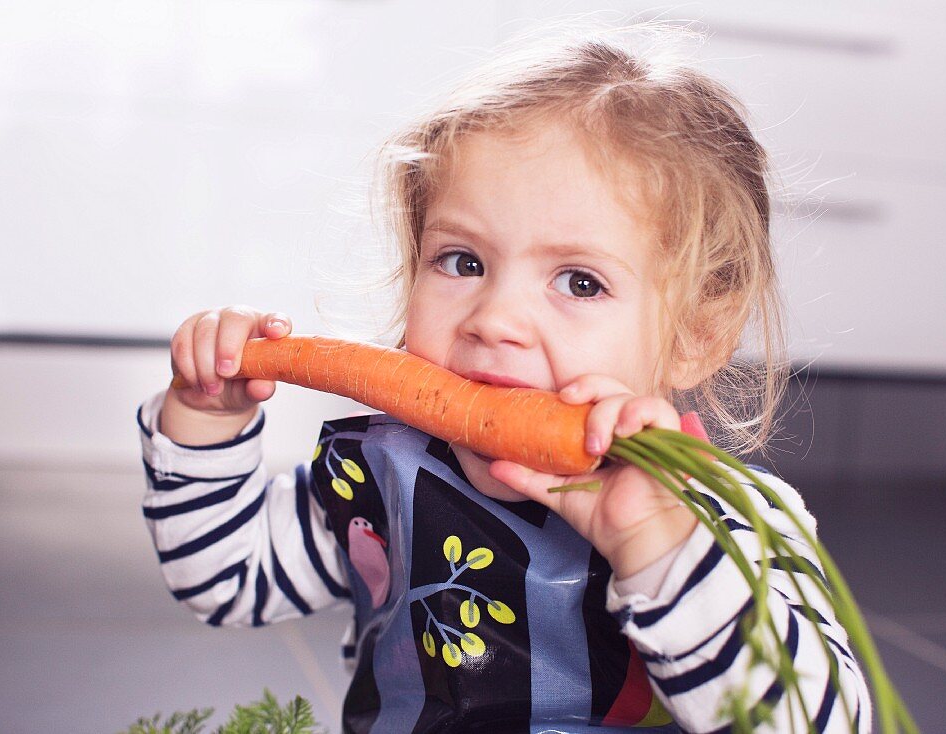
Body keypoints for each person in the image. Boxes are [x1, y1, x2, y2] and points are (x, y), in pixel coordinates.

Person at [137, 24, 871, 733]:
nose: (495, 318)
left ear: (696, 334)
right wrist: (205, 421)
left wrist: (661, 550)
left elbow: (822, 722)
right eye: (462, 262)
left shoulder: (723, 520)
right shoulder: (382, 473)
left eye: (580, 282)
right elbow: (224, 579)